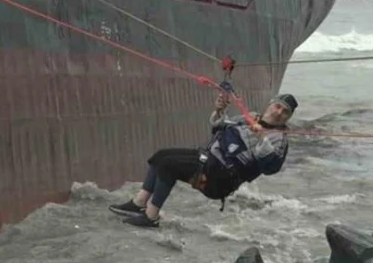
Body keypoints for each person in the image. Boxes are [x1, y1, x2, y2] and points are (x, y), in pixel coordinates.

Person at [109, 92, 296, 228]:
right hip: (208, 160)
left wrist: (262, 137)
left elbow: (270, 168)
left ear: (288, 117)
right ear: (270, 104)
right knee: (160, 156)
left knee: (168, 166)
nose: (279, 112)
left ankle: (151, 217)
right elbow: (217, 127)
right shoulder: (250, 117)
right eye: (277, 106)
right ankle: (138, 203)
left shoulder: (279, 139)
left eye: (285, 112)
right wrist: (219, 111)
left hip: (221, 178)